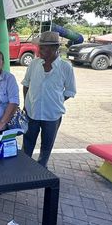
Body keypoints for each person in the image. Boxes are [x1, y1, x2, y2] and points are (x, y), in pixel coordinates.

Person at [22, 31, 76, 167]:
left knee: (47, 146)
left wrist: (56, 100)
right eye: (39, 47)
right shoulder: (34, 64)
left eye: (43, 48)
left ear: (54, 48)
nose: (39, 50)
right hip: (32, 112)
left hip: (52, 115)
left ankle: (42, 169)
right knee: (27, 143)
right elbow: (26, 84)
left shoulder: (65, 67)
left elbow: (70, 91)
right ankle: (24, 168)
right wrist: (26, 104)